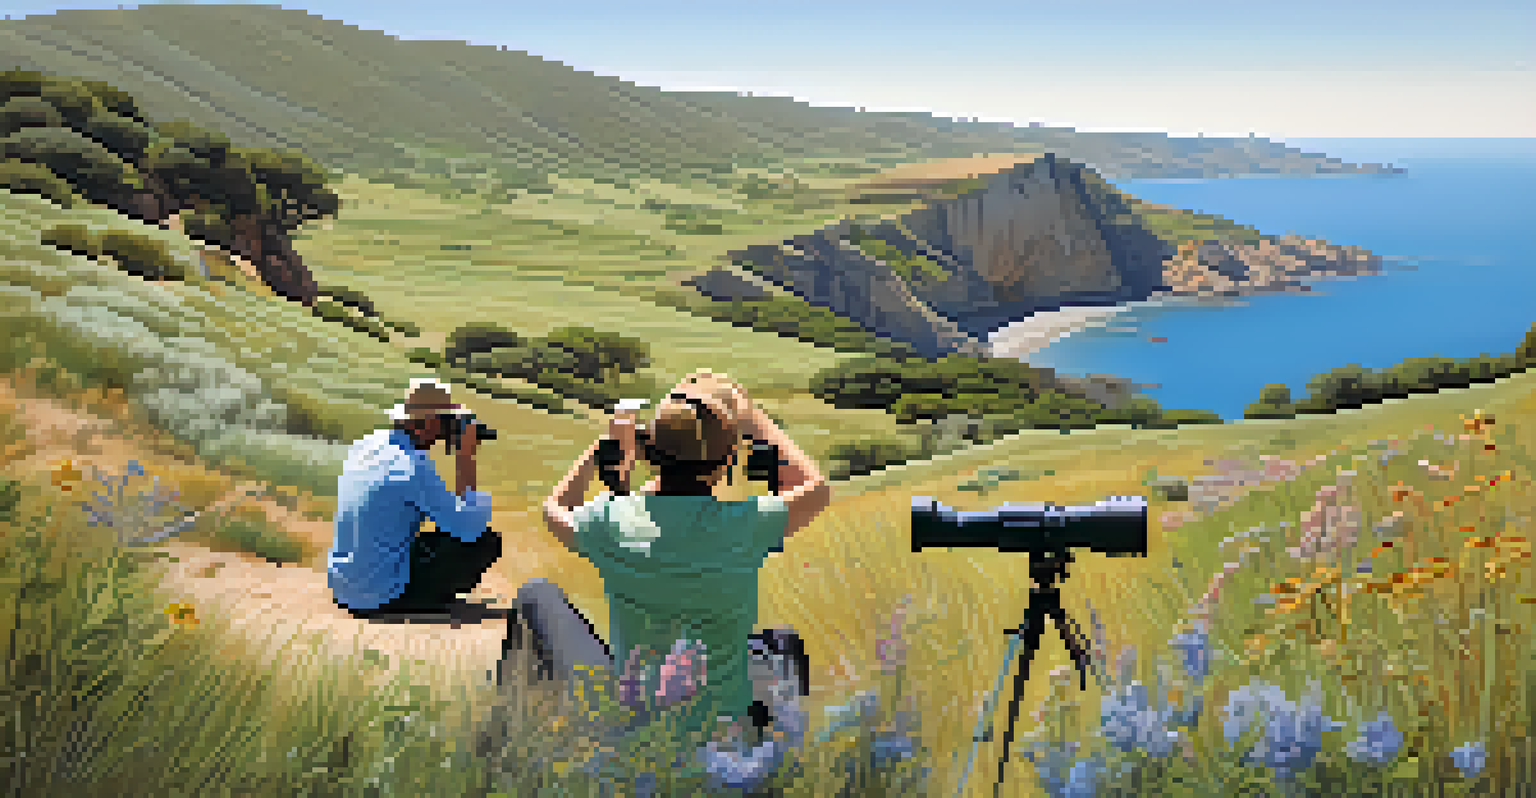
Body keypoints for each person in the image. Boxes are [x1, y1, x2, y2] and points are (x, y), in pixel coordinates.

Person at [509, 370, 832, 750]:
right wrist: (755, 420)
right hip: (719, 744)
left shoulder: (614, 520)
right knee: (781, 642)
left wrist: (603, 453)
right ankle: (780, 758)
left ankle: (504, 738)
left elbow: (555, 509)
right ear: (726, 461)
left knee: (536, 594)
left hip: (634, 736)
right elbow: (817, 490)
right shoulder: (744, 525)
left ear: (651, 454)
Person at [327, 378, 501, 619]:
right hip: (380, 598)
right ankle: (425, 599)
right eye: (446, 422)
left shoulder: (366, 445)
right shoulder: (412, 466)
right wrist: (465, 458)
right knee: (486, 542)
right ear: (429, 422)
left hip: (343, 588)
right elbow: (470, 529)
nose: (446, 431)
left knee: (426, 538)